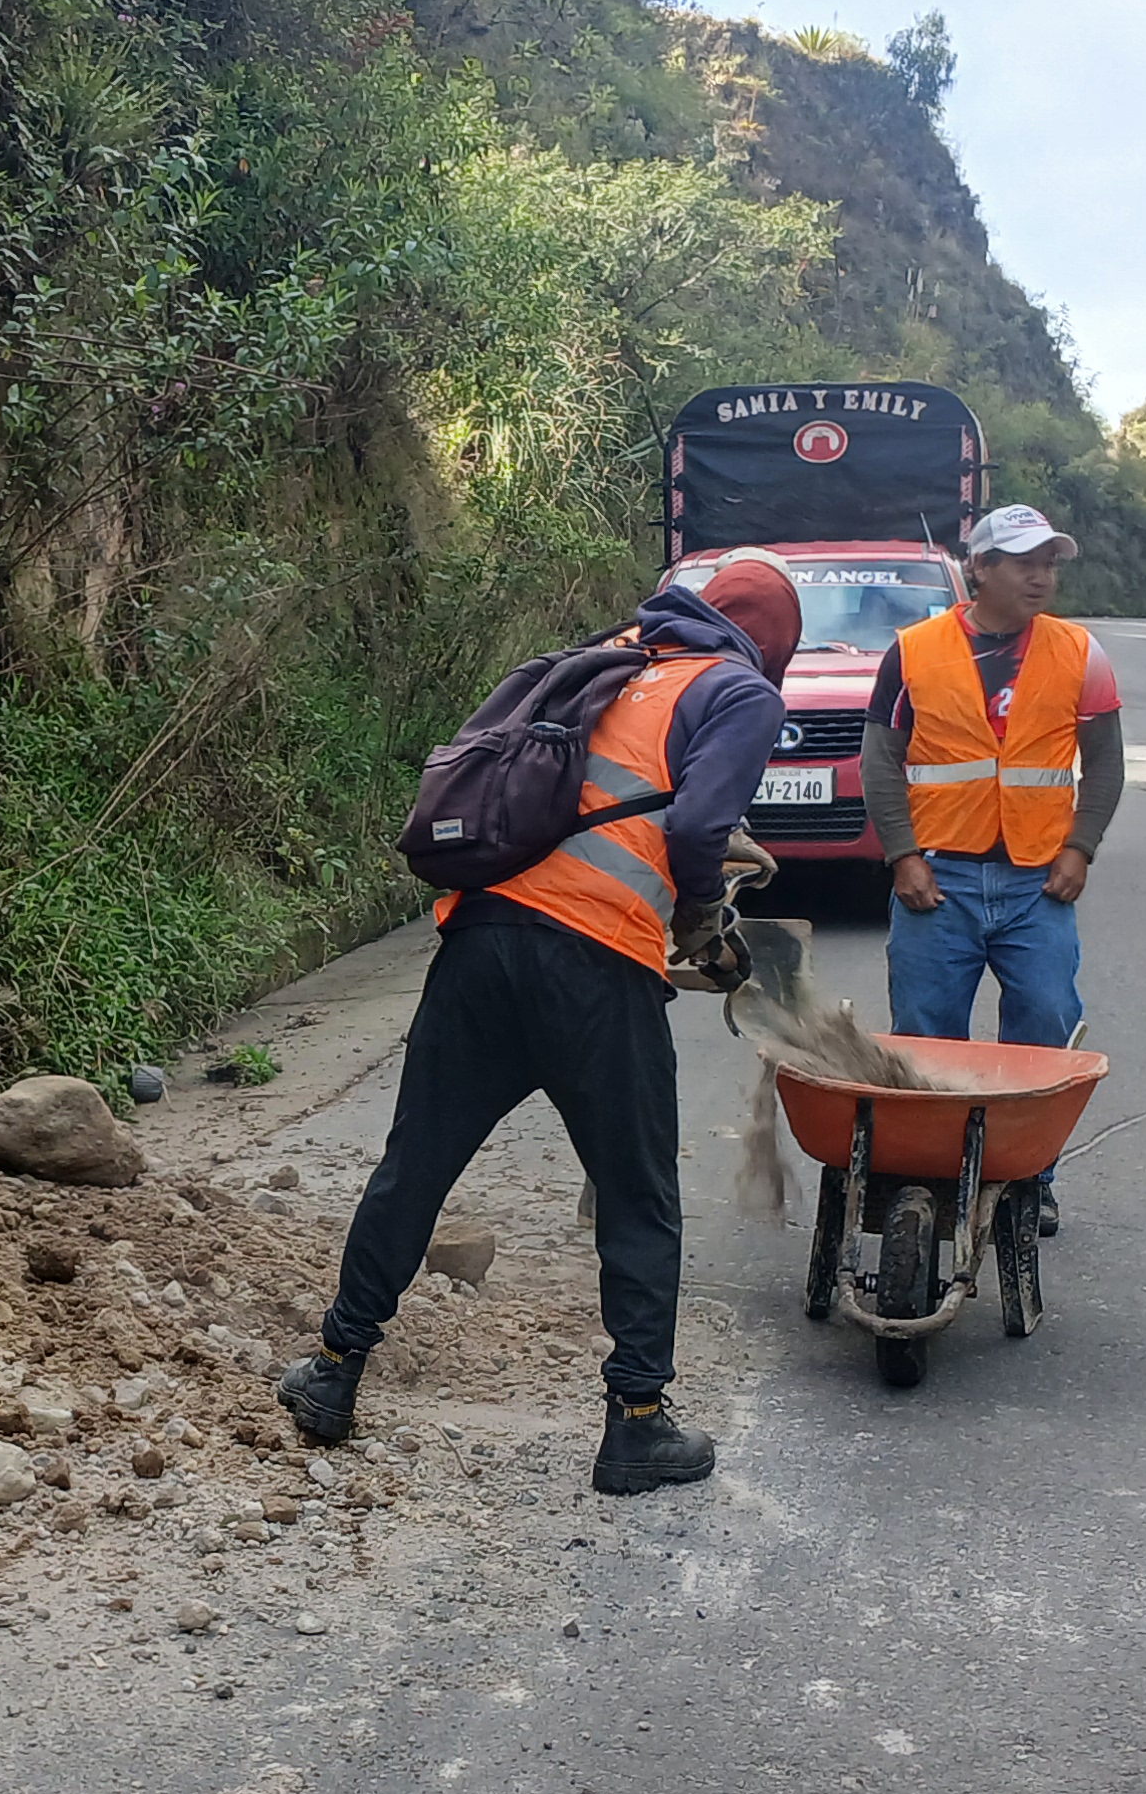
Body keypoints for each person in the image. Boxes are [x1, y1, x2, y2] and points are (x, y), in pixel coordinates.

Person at [277, 553, 805, 1494]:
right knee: (638, 1196)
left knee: (416, 1165)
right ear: (773, 648)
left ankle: (333, 1370)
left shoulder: (612, 660)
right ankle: (636, 1425)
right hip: (595, 967)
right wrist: (698, 921)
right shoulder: (738, 691)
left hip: (480, 943)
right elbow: (694, 833)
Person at [861, 505, 1125, 1067]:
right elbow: (880, 761)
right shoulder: (912, 652)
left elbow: (1105, 764)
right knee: (924, 1043)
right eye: (1025, 564)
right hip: (939, 880)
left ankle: (1024, 1133)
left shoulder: (1081, 652)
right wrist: (903, 856)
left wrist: (1080, 848)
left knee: (1047, 1028)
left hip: (1039, 882)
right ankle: (933, 1133)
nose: (1041, 578)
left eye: (1049, 565)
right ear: (980, 567)